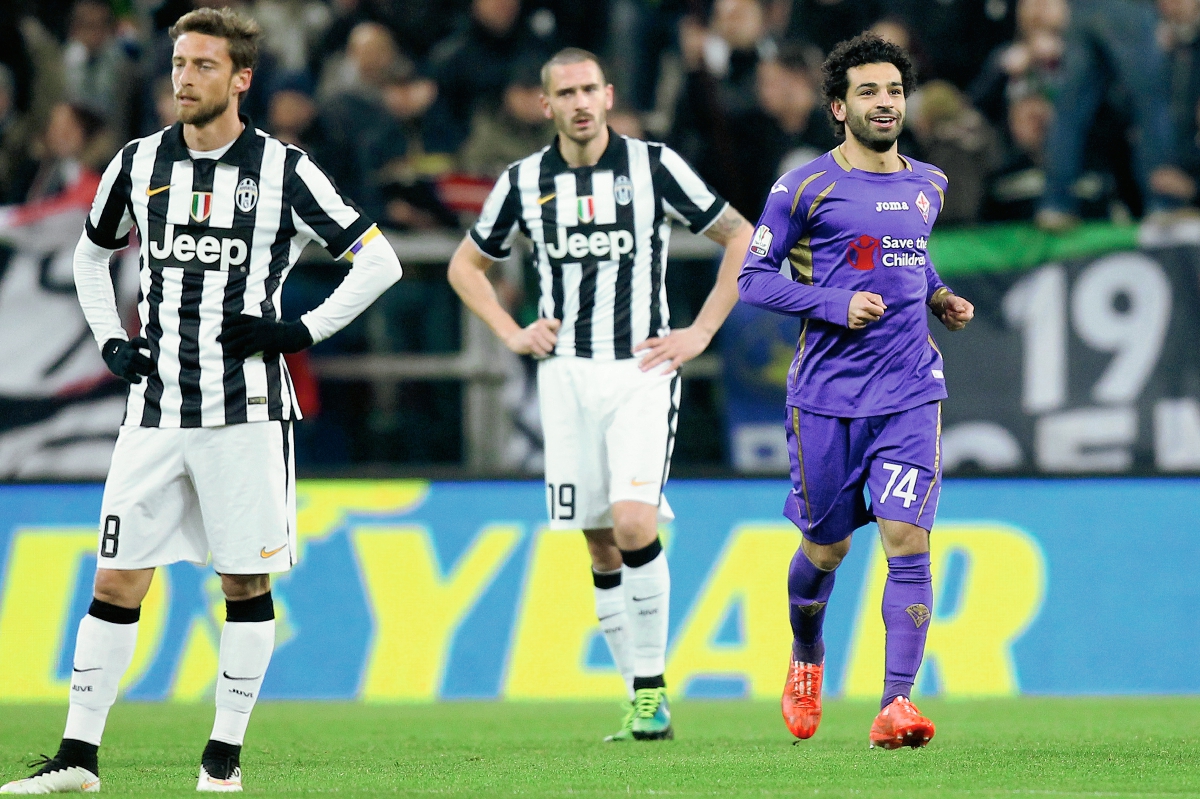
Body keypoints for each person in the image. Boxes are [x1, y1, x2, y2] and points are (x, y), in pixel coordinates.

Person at [0, 7, 403, 794]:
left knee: (244, 583)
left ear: (241, 79)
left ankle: (223, 759)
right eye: (178, 64)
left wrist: (300, 328)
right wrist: (109, 340)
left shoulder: (284, 169)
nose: (184, 78)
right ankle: (78, 758)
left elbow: (378, 260)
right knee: (116, 577)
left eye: (203, 66)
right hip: (153, 413)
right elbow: (91, 257)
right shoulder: (140, 160)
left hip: (246, 413)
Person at [447, 47, 752, 742]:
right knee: (600, 546)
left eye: (590, 89)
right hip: (564, 376)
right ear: (544, 104)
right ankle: (641, 697)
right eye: (566, 92)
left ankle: (651, 690)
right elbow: (466, 264)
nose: (580, 103)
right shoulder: (525, 182)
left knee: (635, 523)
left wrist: (701, 329)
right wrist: (509, 330)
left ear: (609, 95)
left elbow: (740, 237)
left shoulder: (653, 167)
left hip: (641, 369)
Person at [736, 34, 974, 748]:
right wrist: (835, 303)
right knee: (827, 550)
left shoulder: (929, 182)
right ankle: (807, 653)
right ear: (839, 108)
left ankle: (895, 704)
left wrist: (938, 296)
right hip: (827, 397)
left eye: (894, 91)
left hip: (909, 388)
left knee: (908, 538)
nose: (884, 103)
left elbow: (908, 256)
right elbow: (753, 278)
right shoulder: (802, 187)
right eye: (868, 92)